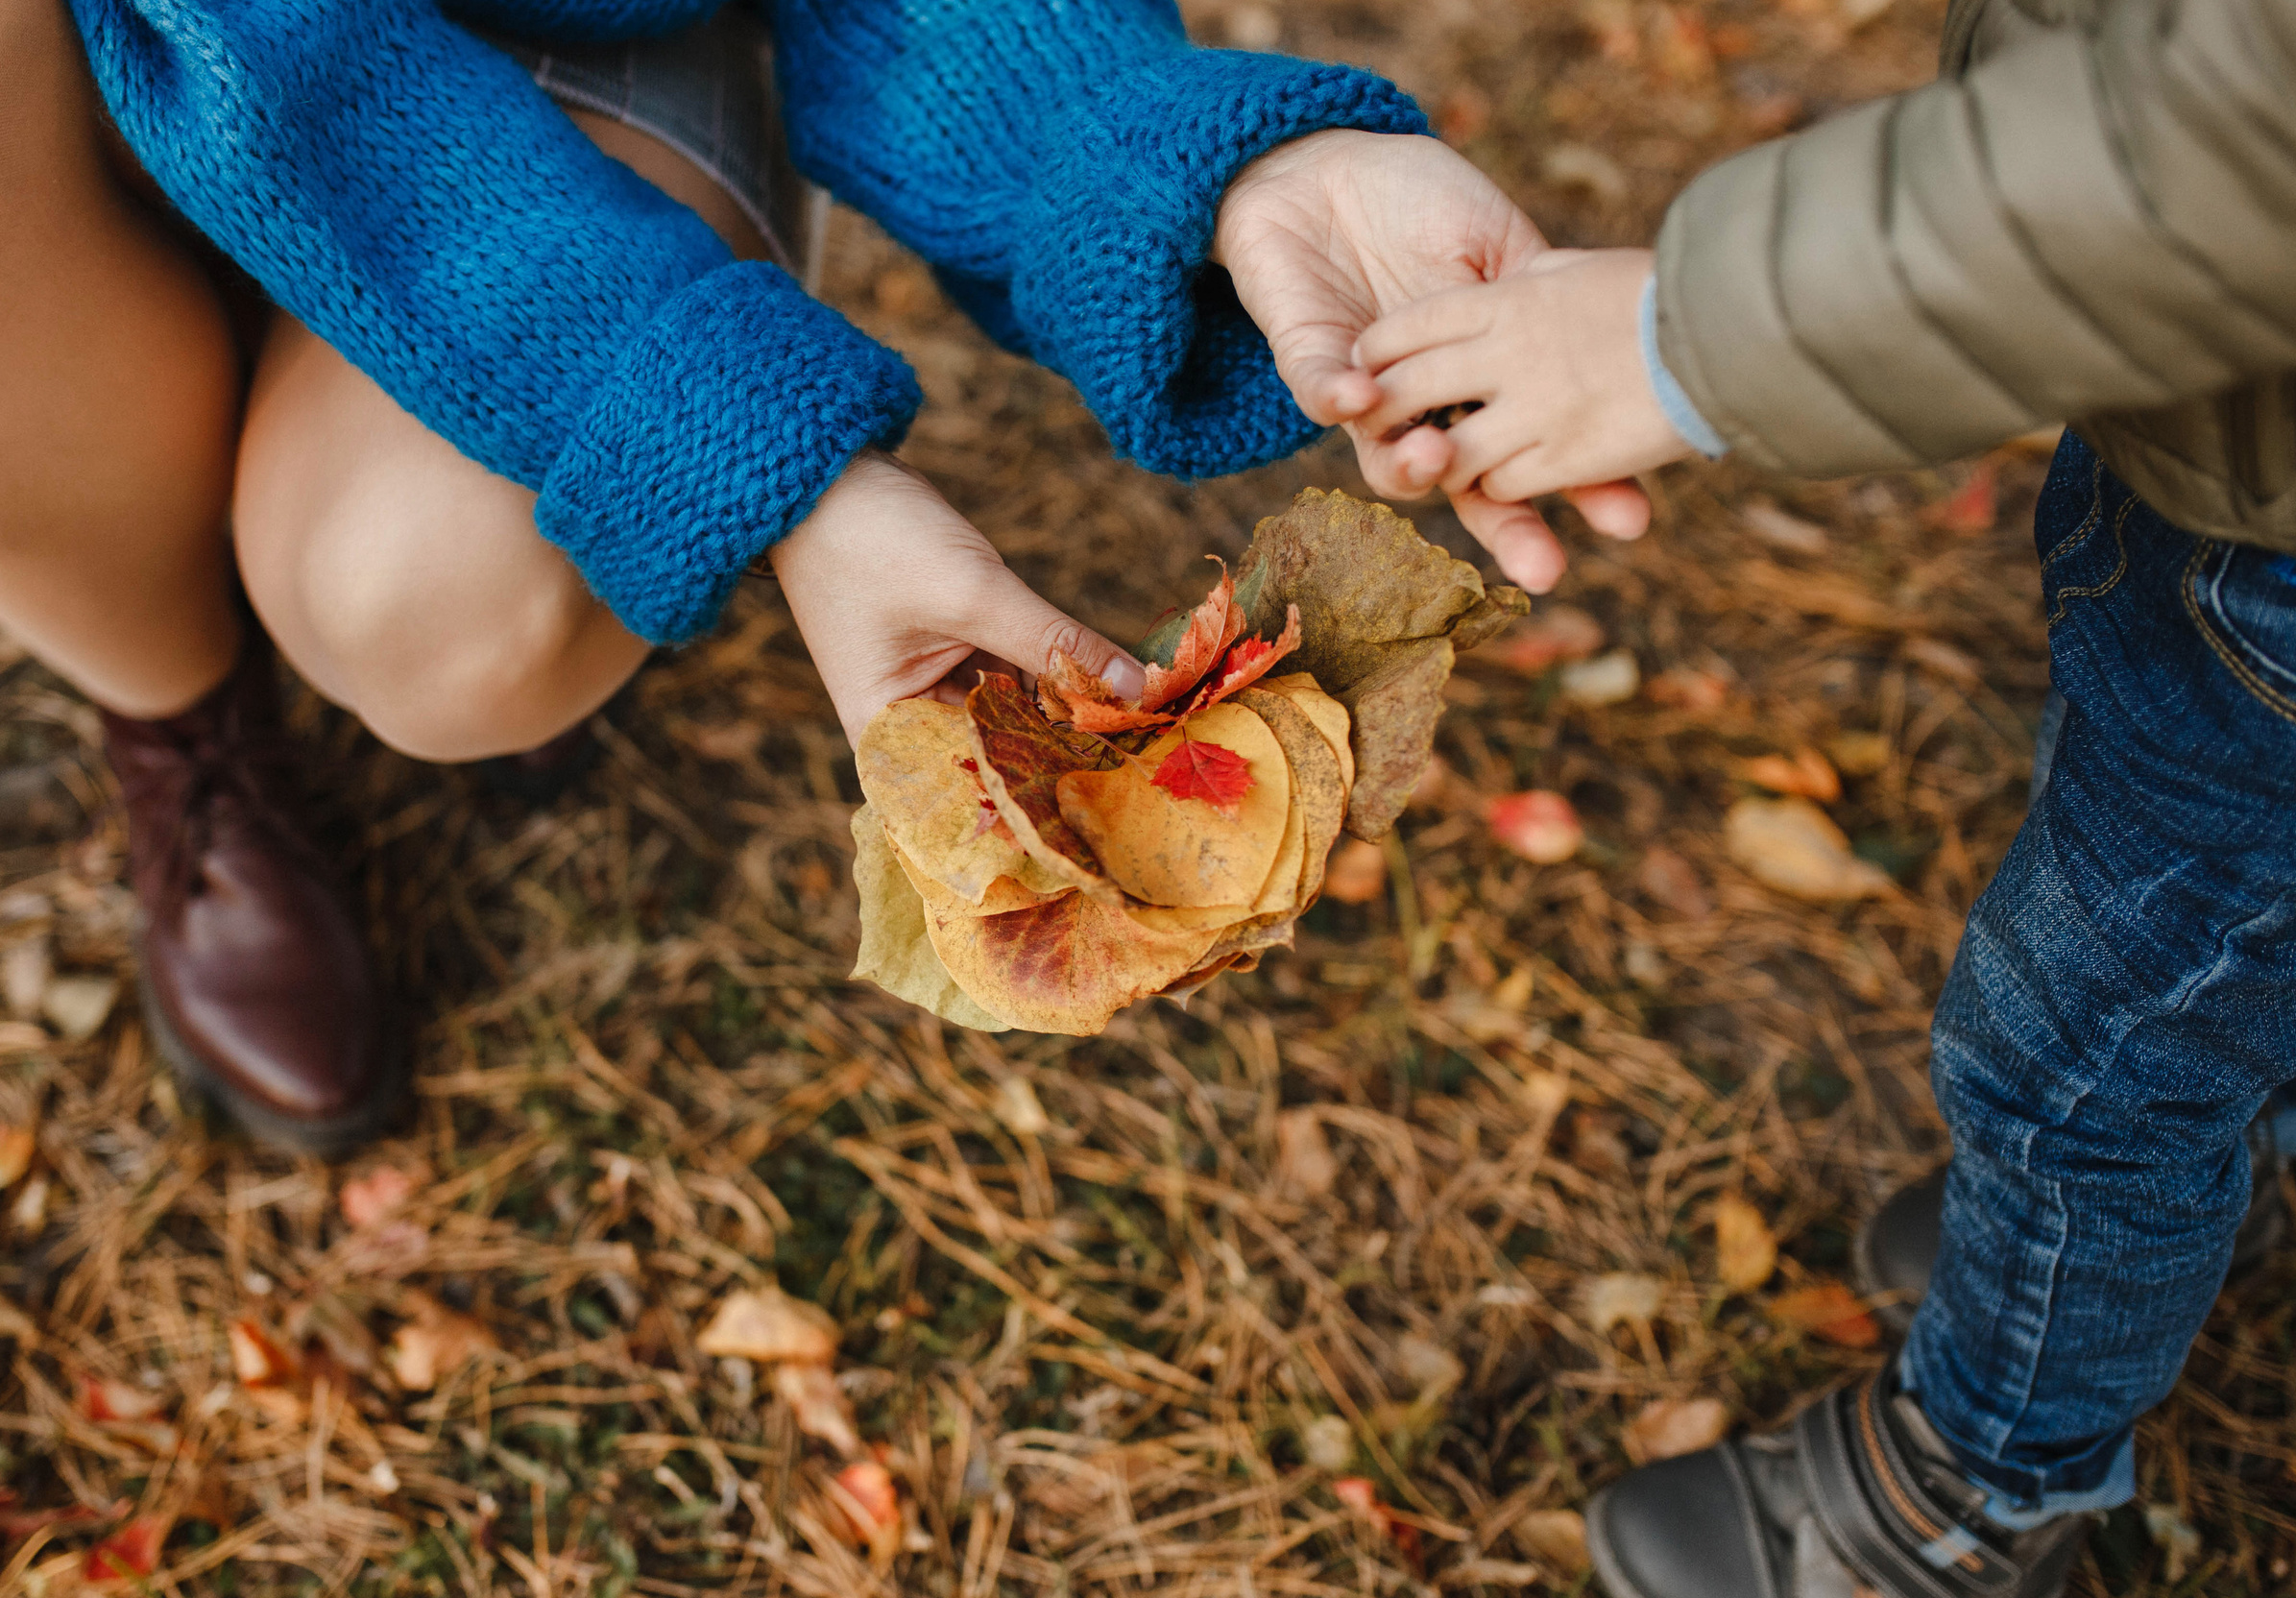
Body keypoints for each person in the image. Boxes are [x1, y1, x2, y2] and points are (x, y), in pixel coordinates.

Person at [3, 0, 1635, 1156]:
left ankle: (346, 418)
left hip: (554, 33)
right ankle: (183, 721)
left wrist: (1174, 162)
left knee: (441, 603)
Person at [1344, 0, 2296, 1598]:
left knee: (2077, 1063)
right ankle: (2165, 1201)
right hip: (2257, 427)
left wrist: (1694, 332)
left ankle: (1964, 1515)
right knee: (2205, 929)